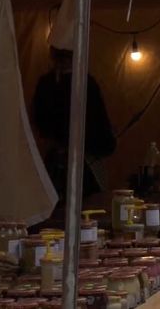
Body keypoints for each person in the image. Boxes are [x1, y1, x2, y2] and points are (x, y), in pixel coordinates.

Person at [32, 47, 118, 203]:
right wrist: (106, 141)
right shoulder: (85, 83)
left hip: (61, 158)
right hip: (80, 162)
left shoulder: (47, 83)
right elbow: (97, 123)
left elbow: (41, 123)